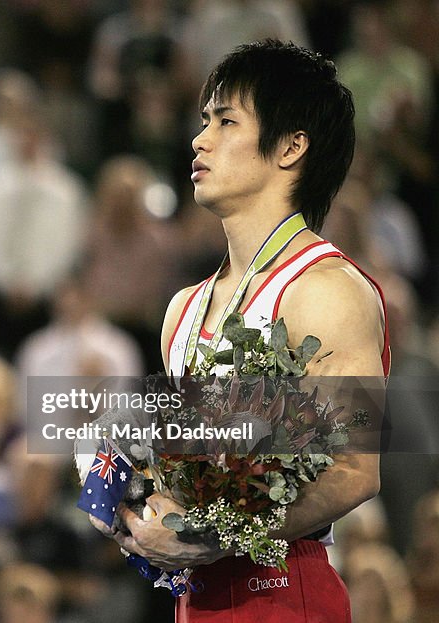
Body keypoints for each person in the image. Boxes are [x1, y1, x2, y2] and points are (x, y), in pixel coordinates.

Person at [95, 40, 389, 622]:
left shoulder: (326, 290)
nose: (200, 140)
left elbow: (356, 470)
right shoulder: (184, 308)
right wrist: (125, 496)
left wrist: (215, 539)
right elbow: (182, 471)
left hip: (284, 591)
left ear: (290, 146)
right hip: (195, 603)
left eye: (226, 121)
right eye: (204, 121)